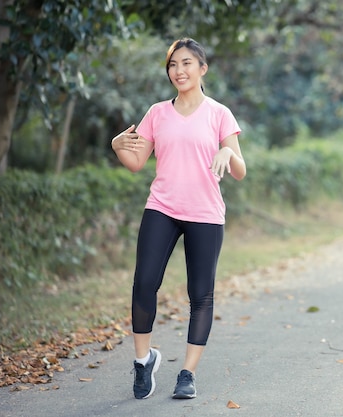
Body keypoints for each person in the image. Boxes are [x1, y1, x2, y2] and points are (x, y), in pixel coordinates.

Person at [110, 37, 246, 400]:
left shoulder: (219, 113)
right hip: (162, 207)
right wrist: (117, 146)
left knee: (200, 295)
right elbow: (138, 163)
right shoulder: (156, 113)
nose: (179, 70)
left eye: (187, 63)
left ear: (202, 69)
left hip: (204, 213)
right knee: (143, 284)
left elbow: (240, 170)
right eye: (173, 64)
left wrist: (226, 152)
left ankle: (187, 373)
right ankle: (143, 363)